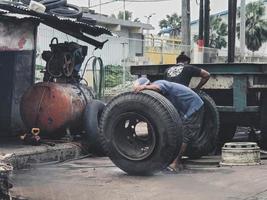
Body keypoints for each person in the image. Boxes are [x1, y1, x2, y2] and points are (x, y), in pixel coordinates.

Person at [133, 77, 204, 172]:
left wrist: (144, 87)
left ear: (148, 85)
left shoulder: (159, 83)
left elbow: (158, 87)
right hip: (184, 108)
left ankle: (175, 164)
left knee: (185, 134)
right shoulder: (158, 95)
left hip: (193, 106)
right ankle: (177, 160)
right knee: (178, 131)